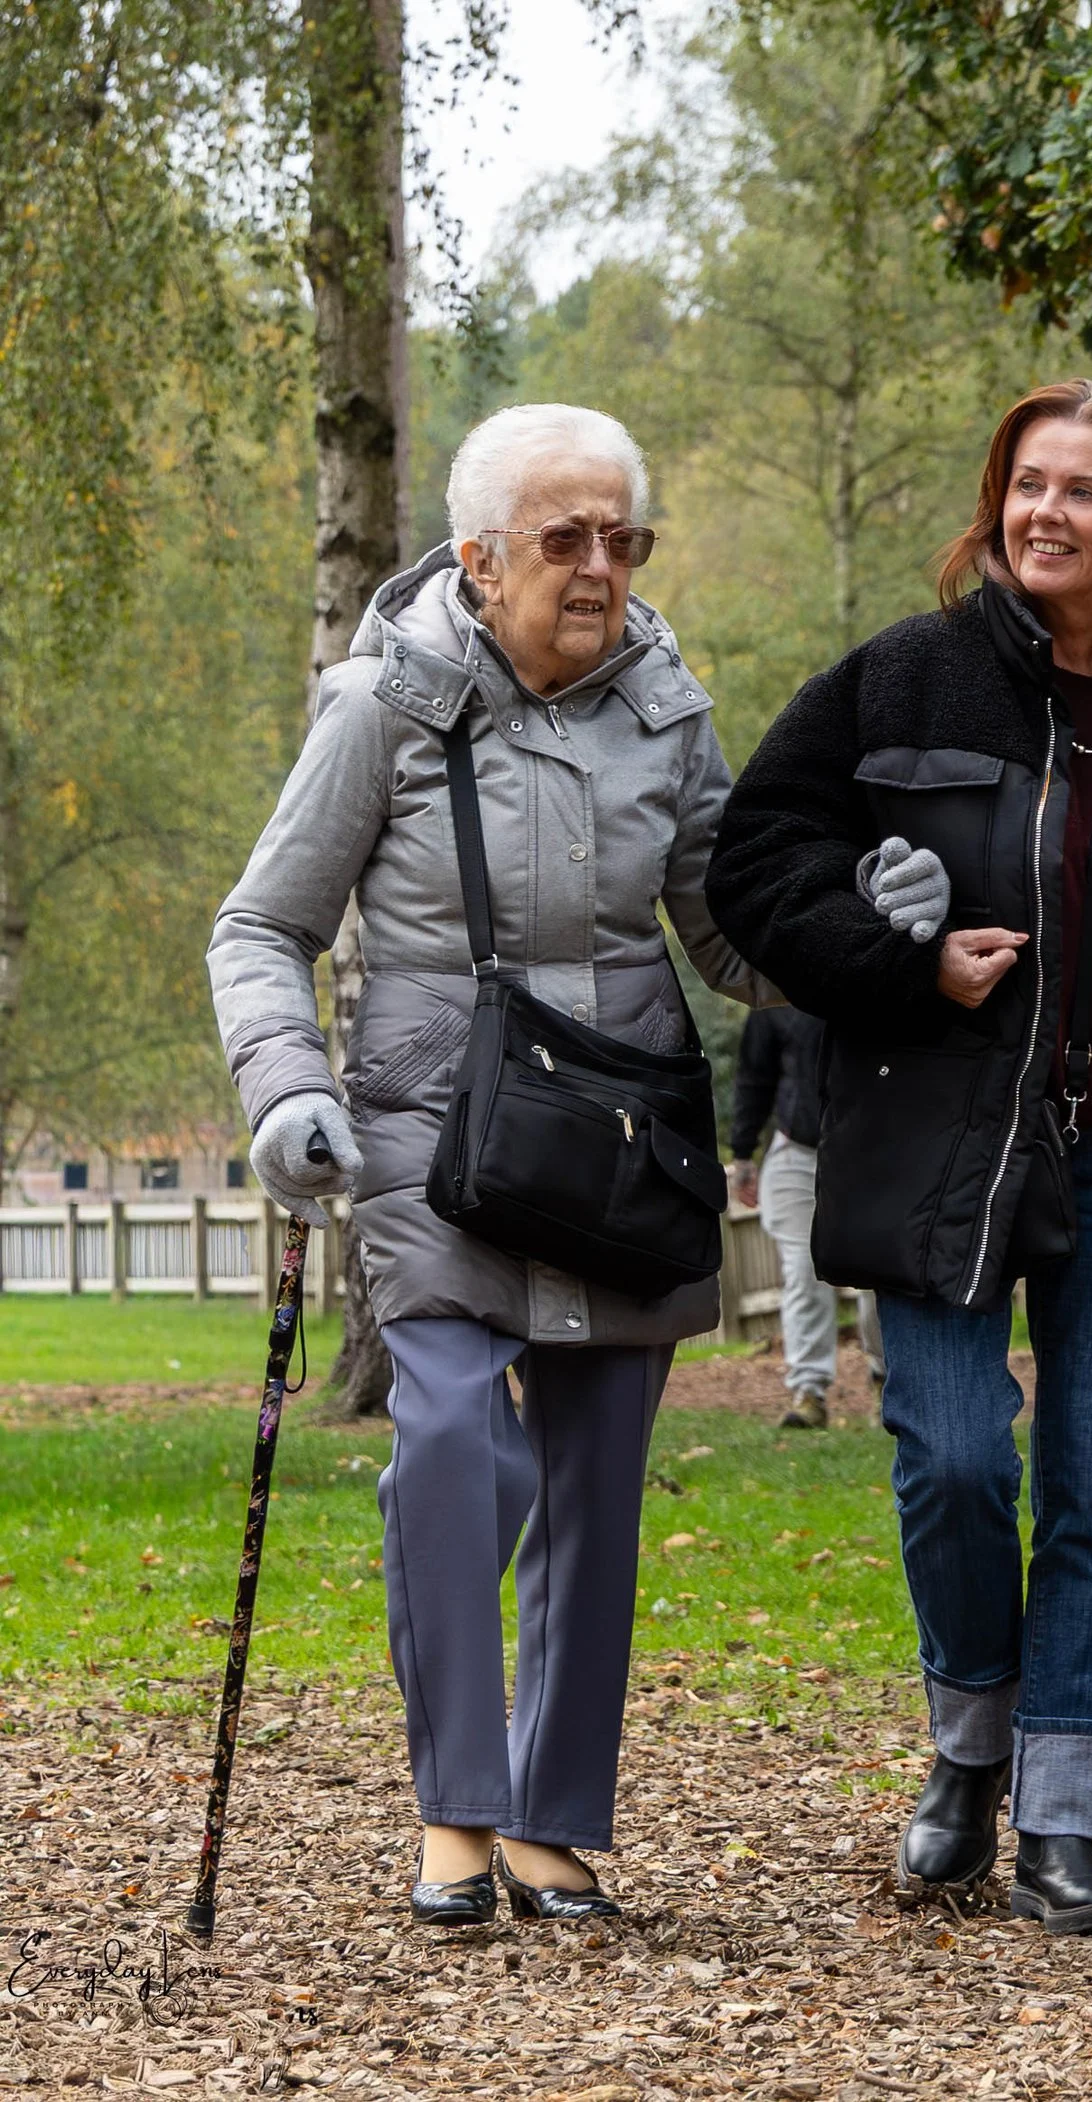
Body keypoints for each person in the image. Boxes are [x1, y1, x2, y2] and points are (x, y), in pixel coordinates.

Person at [706, 379, 1092, 1934]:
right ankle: (966, 1744)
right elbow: (753, 866)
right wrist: (898, 957)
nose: (1045, 513)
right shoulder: (902, 683)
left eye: (1084, 491)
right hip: (939, 1146)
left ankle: (1063, 1816)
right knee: (955, 1455)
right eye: (1026, 483)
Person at [207, 403, 772, 1927]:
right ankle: (458, 1802)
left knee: (599, 1472)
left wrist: (875, 927)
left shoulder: (668, 704)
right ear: (478, 555)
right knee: (456, 1440)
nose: (602, 569)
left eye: (623, 538)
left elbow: (731, 929)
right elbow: (262, 925)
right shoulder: (385, 704)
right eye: (566, 539)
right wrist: (286, 1091)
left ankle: (554, 1813)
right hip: (429, 1137)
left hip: (616, 1138)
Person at [729, 1006, 883, 1427]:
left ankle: (886, 1377)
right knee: (802, 1272)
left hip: (868, 1148)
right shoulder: (775, 993)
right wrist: (743, 1155)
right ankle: (809, 1393)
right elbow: (754, 1075)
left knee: (877, 1273)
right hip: (797, 1150)